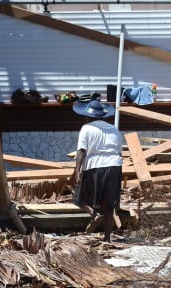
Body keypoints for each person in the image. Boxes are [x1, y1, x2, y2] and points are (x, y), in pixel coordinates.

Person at [69, 97, 123, 243]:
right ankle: (107, 237)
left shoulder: (86, 128)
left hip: (94, 165)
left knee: (80, 198)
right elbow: (118, 152)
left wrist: (77, 170)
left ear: (87, 116)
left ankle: (93, 213)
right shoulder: (114, 129)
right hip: (114, 165)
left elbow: (81, 151)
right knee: (108, 202)